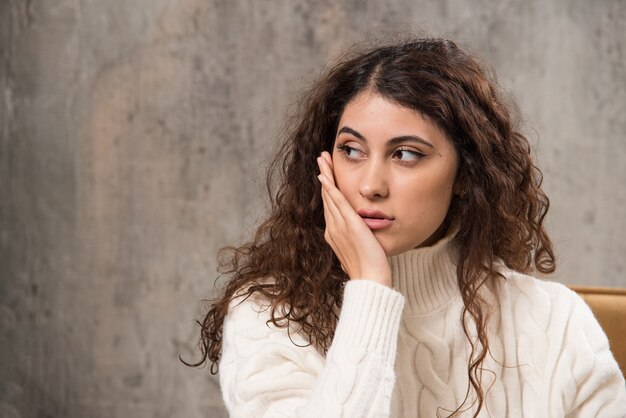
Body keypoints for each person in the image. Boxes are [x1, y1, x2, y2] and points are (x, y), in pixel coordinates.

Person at [186, 38, 626, 417]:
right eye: (352, 150)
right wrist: (371, 290)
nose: (370, 186)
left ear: (465, 176)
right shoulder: (270, 313)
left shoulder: (553, 319)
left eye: (406, 155)